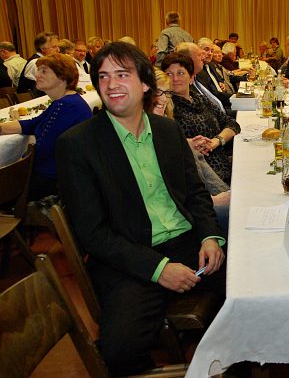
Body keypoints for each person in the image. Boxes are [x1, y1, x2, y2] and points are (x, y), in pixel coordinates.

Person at [56, 42, 226, 376]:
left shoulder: (167, 130)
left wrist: (210, 237)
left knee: (252, 295)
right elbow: (93, 234)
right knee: (118, 351)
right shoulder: (77, 145)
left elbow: (195, 194)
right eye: (103, 76)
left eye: (122, 74)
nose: (111, 84)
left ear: (146, 83)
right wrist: (159, 268)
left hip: (189, 243)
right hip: (129, 257)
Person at [148, 69, 230, 232]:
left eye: (167, 93)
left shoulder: (168, 123)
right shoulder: (144, 133)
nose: (163, 99)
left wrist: (223, 194)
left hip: (201, 197)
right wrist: (213, 201)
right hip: (182, 211)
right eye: (158, 92)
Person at [1, 53, 92, 200]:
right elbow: (31, 124)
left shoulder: (66, 106)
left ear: (62, 77)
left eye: (44, 71)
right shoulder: (65, 101)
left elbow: (43, 150)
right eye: (38, 70)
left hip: (53, 181)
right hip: (56, 175)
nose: (38, 75)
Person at [161, 52, 240, 184]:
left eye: (180, 73)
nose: (174, 78)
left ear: (191, 78)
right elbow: (166, 144)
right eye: (169, 74)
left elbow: (232, 123)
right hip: (200, 177)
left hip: (225, 166)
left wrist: (217, 141)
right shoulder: (166, 107)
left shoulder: (200, 99)